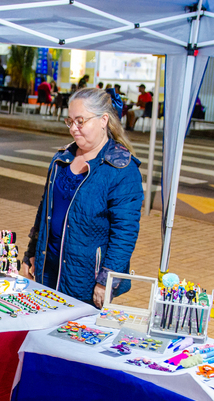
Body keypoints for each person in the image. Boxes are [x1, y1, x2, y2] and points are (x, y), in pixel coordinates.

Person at [22, 87, 143, 308]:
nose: (74, 129)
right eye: (70, 122)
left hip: (86, 279)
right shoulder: (62, 158)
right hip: (48, 269)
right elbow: (44, 210)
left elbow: (124, 233)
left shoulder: (122, 169)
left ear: (103, 120)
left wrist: (106, 280)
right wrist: (31, 253)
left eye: (81, 121)